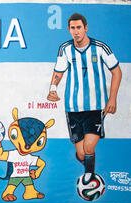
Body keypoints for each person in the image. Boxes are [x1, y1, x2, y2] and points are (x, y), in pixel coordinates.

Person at [47, 12, 122, 177]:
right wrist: (53, 88)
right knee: (81, 153)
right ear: (69, 29)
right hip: (73, 108)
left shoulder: (100, 47)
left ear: (86, 28)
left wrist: (112, 98)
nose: (76, 31)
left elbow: (117, 72)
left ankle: (90, 179)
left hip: (95, 107)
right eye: (73, 28)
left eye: (79, 27)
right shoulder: (65, 49)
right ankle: (89, 170)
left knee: (89, 148)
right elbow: (58, 72)